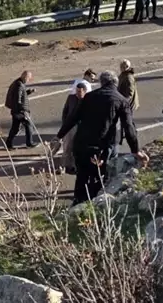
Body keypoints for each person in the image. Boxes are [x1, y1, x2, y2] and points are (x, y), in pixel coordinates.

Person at [56, 71, 149, 204]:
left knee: (81, 177)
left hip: (81, 144)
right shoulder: (121, 100)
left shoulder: (88, 97)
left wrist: (59, 136)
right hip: (101, 147)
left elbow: (72, 118)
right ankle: (92, 207)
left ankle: (77, 204)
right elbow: (129, 127)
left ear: (101, 82)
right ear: (116, 84)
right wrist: (135, 150)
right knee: (99, 178)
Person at [59, 79, 91, 173]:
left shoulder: (88, 100)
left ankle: (74, 166)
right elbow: (65, 111)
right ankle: (64, 166)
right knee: (67, 148)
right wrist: (65, 123)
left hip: (82, 128)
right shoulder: (71, 98)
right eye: (76, 91)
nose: (77, 93)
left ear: (85, 91)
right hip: (70, 127)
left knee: (78, 149)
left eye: (80, 92)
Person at [4, 70, 38, 148]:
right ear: (25, 77)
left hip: (16, 111)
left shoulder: (19, 83)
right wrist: (23, 111)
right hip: (20, 111)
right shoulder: (19, 85)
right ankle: (29, 143)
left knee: (15, 128)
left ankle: (8, 144)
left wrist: (29, 91)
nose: (29, 80)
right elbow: (18, 99)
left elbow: (21, 95)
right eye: (28, 78)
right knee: (29, 125)